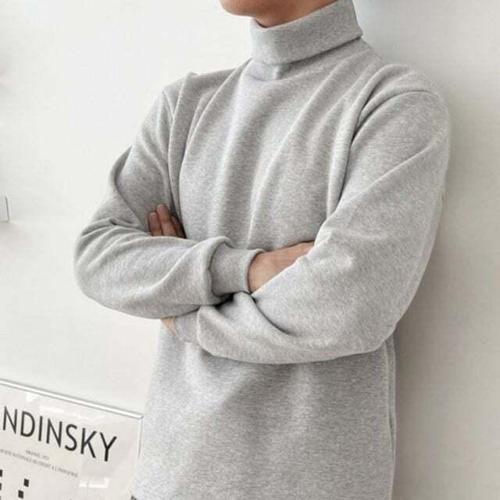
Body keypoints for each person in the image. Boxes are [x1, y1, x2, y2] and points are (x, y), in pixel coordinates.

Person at [73, 0, 451, 498]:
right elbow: (99, 258)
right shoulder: (184, 106)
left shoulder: (393, 103)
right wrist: (246, 269)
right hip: (168, 480)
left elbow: (348, 308)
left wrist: (181, 312)